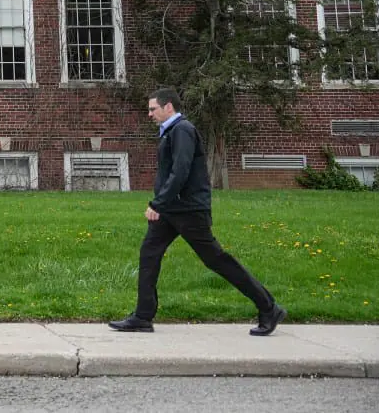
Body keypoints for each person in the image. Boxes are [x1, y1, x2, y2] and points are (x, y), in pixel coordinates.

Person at [109, 87, 286, 336]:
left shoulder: (182, 130)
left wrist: (157, 203)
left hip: (188, 210)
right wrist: (163, 204)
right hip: (173, 209)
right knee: (149, 254)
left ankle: (268, 307)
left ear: (168, 106)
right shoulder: (171, 131)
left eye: (153, 109)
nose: (149, 114)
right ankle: (142, 316)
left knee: (216, 259)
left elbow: (180, 171)